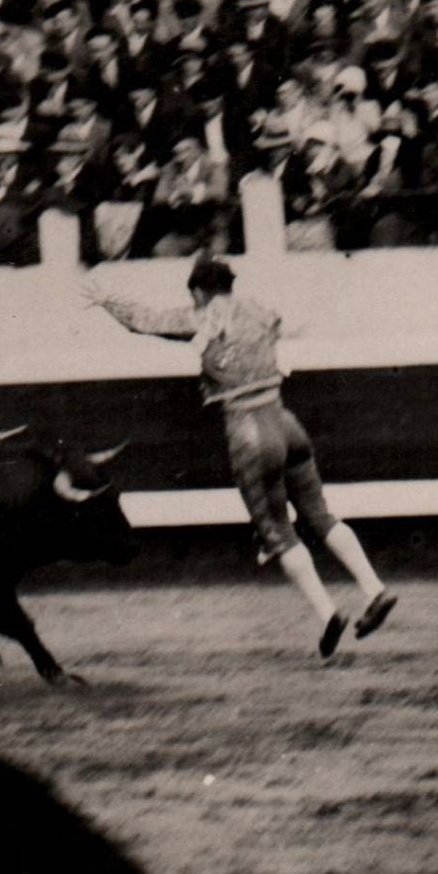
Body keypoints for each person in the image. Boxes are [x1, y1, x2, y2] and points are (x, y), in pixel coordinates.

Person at [82, 255, 396, 659]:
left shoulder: (203, 317)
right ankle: (374, 589)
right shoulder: (260, 310)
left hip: (249, 430)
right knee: (320, 514)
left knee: (277, 530)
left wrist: (108, 300)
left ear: (197, 292)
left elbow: (146, 321)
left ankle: (327, 614)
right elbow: (287, 324)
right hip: (286, 421)